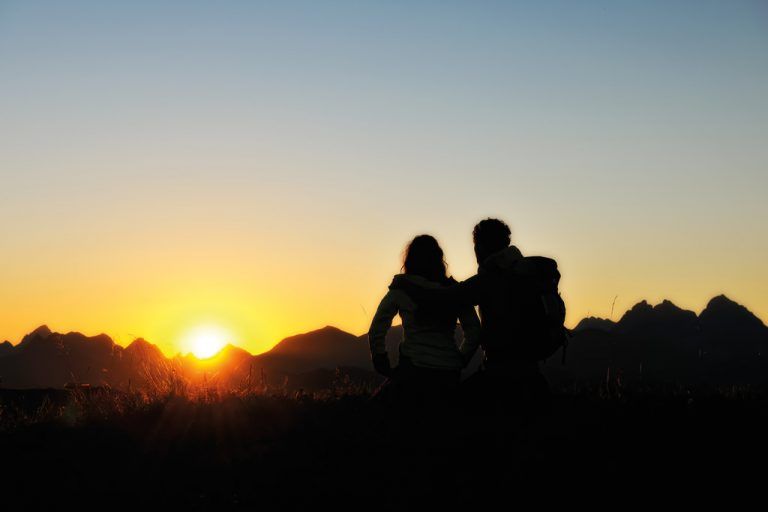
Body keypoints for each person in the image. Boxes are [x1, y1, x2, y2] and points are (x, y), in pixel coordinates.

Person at [390, 219, 554, 415]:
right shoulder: (525, 274)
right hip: (532, 374)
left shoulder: (488, 281)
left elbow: (444, 299)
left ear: (481, 247)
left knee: (450, 410)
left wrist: (405, 284)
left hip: (499, 374)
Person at [367, 235, 481, 407]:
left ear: (410, 259)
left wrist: (381, 360)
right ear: (438, 259)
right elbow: (474, 330)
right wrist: (461, 358)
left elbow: (377, 328)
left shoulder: (401, 289)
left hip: (413, 369)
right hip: (449, 373)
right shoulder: (455, 291)